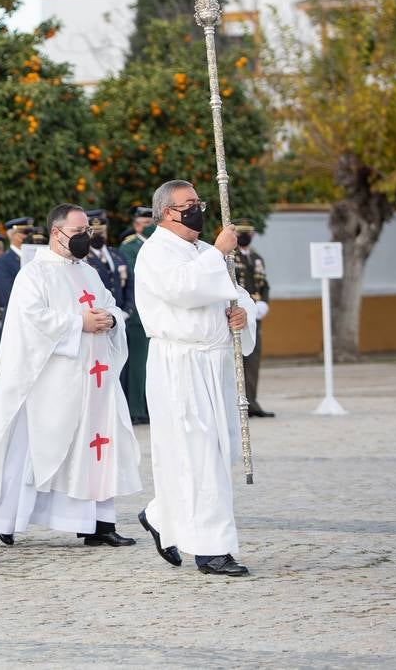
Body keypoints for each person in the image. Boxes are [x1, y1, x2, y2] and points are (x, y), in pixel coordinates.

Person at [0, 204, 139, 549]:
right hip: (48, 382)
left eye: (89, 232)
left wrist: (110, 320)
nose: (86, 238)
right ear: (56, 232)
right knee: (31, 449)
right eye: (79, 232)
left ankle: (100, 524)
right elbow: (31, 321)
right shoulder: (34, 274)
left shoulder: (91, 272)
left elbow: (110, 305)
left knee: (98, 446)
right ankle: (9, 518)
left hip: (95, 379)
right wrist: (78, 322)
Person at [135, 179, 257, 577]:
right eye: (189, 203)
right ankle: (212, 549)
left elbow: (236, 293)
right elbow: (181, 290)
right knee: (199, 454)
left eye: (199, 202)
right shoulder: (154, 251)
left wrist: (242, 313)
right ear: (167, 212)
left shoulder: (204, 250)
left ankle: (159, 515)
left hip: (214, 363)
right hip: (180, 363)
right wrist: (218, 253)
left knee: (217, 454)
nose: (197, 209)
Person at [229, 219, 273, 418]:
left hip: (255, 313)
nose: (246, 236)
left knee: (253, 358)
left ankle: (252, 402)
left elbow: (264, 284)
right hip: (237, 314)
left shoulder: (256, 257)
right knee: (236, 359)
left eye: (249, 233)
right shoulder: (228, 256)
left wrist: (264, 302)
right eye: (241, 233)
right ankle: (238, 404)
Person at [118, 207, 155, 425]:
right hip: (138, 315)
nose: (149, 225)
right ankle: (136, 409)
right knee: (138, 366)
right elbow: (137, 274)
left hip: (155, 314)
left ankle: (149, 407)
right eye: (145, 222)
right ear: (137, 224)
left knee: (152, 365)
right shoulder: (130, 246)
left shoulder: (157, 244)